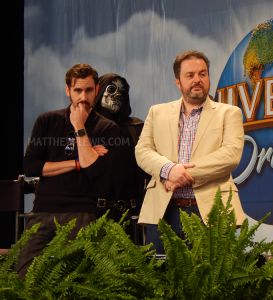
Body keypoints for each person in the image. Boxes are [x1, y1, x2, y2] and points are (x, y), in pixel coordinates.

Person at [135, 50, 246, 253]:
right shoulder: (156, 112)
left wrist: (179, 176)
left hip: (212, 211)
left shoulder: (229, 113)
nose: (197, 80)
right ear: (178, 81)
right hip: (163, 211)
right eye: (190, 75)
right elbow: (142, 151)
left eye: (202, 74)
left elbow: (230, 155)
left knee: (212, 282)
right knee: (161, 280)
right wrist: (168, 170)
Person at [16, 64, 119, 277]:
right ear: (67, 90)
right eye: (77, 90)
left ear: (96, 90)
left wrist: (79, 127)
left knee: (79, 278)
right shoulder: (47, 120)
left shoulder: (107, 128)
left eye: (88, 90)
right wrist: (77, 163)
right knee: (25, 275)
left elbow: (94, 171)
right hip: (43, 210)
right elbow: (31, 167)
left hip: (82, 212)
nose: (83, 96)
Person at [94, 73, 149, 244]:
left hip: (132, 214)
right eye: (111, 89)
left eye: (122, 91)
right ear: (99, 91)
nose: (117, 94)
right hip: (95, 215)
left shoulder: (136, 127)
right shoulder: (86, 128)